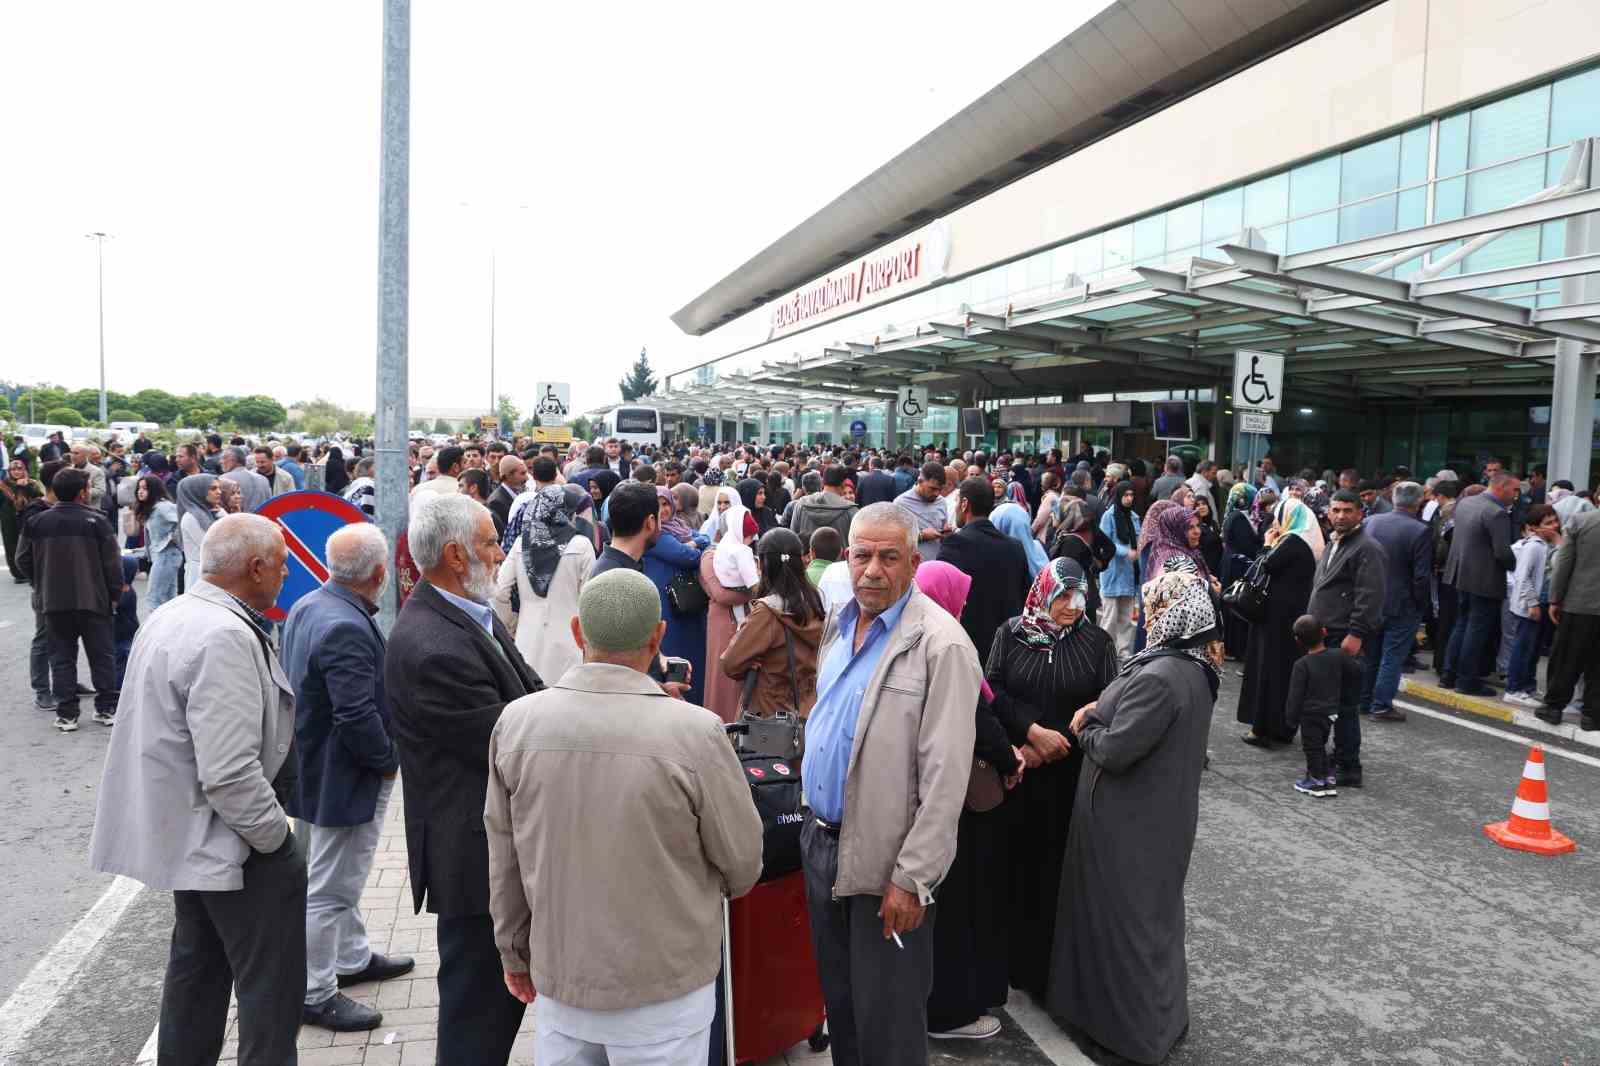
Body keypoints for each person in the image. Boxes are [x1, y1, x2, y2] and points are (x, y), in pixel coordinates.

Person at [486, 568, 764, 1064]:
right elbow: (742, 864)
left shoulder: (517, 722)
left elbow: (504, 858)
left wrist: (513, 951)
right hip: (666, 986)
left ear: (577, 632)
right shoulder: (697, 732)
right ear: (658, 636)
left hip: (564, 978)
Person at [89, 513, 304, 1066]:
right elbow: (230, 771)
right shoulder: (226, 634)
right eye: (280, 565)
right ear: (255, 568)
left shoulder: (176, 613)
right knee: (269, 992)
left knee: (198, 971)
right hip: (233, 842)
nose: (285, 576)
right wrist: (275, 840)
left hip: (195, 837)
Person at [800, 503, 978, 1066]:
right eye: (861, 555)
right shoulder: (841, 620)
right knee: (844, 1009)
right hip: (823, 845)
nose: (872, 569)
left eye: (888, 557)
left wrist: (913, 878)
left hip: (887, 867)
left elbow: (946, 781)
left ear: (913, 562)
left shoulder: (941, 645)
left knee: (890, 1026)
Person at [386, 493, 544, 1064]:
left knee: (487, 1010)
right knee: (477, 1019)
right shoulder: (433, 645)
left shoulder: (465, 614)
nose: (500, 553)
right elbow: (511, 741)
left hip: (489, 849)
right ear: (456, 555)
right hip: (475, 862)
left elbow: (532, 692)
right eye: (489, 543)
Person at [1049, 556, 1219, 1066]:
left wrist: (1086, 724)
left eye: (1155, 607)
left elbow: (1116, 749)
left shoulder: (1161, 676)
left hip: (1129, 823)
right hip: (1159, 816)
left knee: (1122, 928)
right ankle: (1157, 1021)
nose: (1147, 615)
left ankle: (1127, 1033)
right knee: (1152, 924)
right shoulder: (1195, 667)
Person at [281, 524, 412, 1032]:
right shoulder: (346, 625)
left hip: (315, 767)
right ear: (379, 574)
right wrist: (387, 760)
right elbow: (355, 716)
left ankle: (351, 958)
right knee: (332, 887)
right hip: (343, 776)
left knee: (333, 875)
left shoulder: (311, 605)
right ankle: (314, 993)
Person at [984, 557, 1117, 1002]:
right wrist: (1030, 734)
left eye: (1079, 596)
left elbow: (1105, 704)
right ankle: (1000, 963)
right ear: (1044, 592)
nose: (1072, 606)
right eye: (1062, 595)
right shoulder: (1011, 633)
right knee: (1009, 865)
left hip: (1067, 775)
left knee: (1053, 872)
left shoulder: (1097, 643)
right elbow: (993, 691)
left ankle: (1042, 972)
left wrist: (1059, 742)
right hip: (1018, 767)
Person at [914, 561, 1020, 1042]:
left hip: (913, 794)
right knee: (955, 906)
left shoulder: (903, 634)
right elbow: (978, 716)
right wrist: (1010, 758)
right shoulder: (949, 646)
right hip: (954, 800)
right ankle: (950, 1012)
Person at [16, 467, 124, 731]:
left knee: (61, 657)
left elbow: (21, 559)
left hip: (53, 602)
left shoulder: (37, 522)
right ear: (82, 492)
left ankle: (67, 714)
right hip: (94, 600)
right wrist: (114, 594)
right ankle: (106, 708)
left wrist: (40, 581)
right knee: (101, 656)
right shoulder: (98, 521)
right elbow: (113, 565)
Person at [1307, 489, 1386, 788]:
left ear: (1360, 513)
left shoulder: (1367, 548)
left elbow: (1370, 596)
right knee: (1328, 703)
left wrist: (1356, 634)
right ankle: (1336, 754)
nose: (1341, 515)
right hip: (1324, 635)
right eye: (1336, 510)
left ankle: (1348, 765)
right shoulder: (1335, 541)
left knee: (1345, 705)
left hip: (1344, 636)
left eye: (1348, 510)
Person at [1237, 496, 1320, 746]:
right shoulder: (1308, 540)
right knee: (1284, 670)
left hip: (1273, 616)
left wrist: (1267, 544)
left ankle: (1262, 728)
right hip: (1292, 615)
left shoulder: (1291, 541)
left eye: (1279, 516)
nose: (1275, 521)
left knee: (1266, 669)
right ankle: (1283, 727)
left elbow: (1266, 565)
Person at [495, 483, 596, 686]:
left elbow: (499, 591)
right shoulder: (582, 545)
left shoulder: (520, 543)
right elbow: (591, 599)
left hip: (526, 639)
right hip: (571, 642)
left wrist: (511, 624)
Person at [719, 527, 823, 718]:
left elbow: (730, 663)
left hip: (769, 718)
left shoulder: (768, 612)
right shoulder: (815, 604)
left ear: (763, 565)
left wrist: (750, 661)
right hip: (808, 712)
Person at [1440, 472, 1519, 696]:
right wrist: (1516, 566)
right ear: (1501, 487)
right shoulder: (1497, 513)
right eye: (1514, 490)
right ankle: (1466, 680)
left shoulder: (1466, 503)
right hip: (1484, 578)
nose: (1516, 495)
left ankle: (1449, 675)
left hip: (1460, 574)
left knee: (1462, 624)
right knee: (1476, 629)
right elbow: (1503, 552)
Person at [938, 478, 1031, 660]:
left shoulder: (954, 544)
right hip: (1006, 648)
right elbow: (1024, 595)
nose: (955, 507)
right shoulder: (1014, 546)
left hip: (966, 647)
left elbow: (941, 599)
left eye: (957, 501)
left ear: (965, 504)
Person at [1363, 482, 1432, 721]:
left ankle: (1364, 700)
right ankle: (1381, 704)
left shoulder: (1372, 522)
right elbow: (1421, 576)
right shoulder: (1420, 530)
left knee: (1371, 654)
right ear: (1419, 501)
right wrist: (1422, 605)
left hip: (1372, 599)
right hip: (1403, 603)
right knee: (1391, 656)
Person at [644, 485, 708, 705]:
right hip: (669, 604)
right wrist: (695, 544)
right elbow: (686, 556)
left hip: (683, 602)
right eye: (657, 505)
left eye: (666, 504)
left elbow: (702, 538)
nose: (662, 510)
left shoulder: (676, 527)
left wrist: (695, 542)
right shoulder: (657, 535)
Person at [1284, 615, 1359, 797]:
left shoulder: (1301, 665)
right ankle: (1327, 778)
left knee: (1312, 747)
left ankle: (1316, 780)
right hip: (1331, 711)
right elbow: (1356, 671)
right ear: (1324, 632)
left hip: (1310, 714)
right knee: (1321, 744)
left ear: (1297, 640)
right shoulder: (1338, 655)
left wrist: (1291, 719)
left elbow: (1295, 696)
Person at [1537, 506, 1598, 728]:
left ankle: (1553, 707)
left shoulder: (1580, 522)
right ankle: (1593, 715)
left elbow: (1564, 563)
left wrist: (1555, 599)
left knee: (1566, 658)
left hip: (1580, 602)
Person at [701, 495, 760, 721]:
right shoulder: (710, 556)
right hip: (724, 623)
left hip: (745, 622)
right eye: (720, 503)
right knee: (722, 679)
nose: (724, 508)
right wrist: (750, 592)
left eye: (729, 504)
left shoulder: (745, 553)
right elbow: (721, 595)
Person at [1504, 504, 1560, 707]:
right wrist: (1532, 603)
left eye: (1555, 521)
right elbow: (1523, 577)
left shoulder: (1549, 545)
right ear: (1534, 527)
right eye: (1548, 523)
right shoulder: (1534, 546)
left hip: (1544, 602)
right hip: (1531, 605)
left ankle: (1527, 686)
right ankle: (1514, 687)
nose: (1554, 525)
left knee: (1534, 649)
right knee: (1524, 646)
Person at [1095, 480, 1142, 659]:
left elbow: (1139, 540)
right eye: (1126, 495)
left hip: (1129, 574)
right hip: (1113, 571)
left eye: (1131, 495)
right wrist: (1125, 552)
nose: (1129, 499)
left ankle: (1123, 651)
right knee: (1109, 617)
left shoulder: (1134, 517)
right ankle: (1104, 651)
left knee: (1126, 618)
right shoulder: (1109, 516)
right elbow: (1105, 542)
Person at [132, 474, 183, 612]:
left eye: (145, 488)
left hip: (167, 555)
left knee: (154, 599)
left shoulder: (162, 507)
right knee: (168, 598)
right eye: (139, 488)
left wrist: (170, 540)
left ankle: (158, 630)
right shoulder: (153, 508)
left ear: (154, 490)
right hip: (164, 556)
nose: (140, 491)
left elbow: (183, 522)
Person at [895, 461, 952, 562]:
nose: (937, 493)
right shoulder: (901, 503)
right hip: (911, 569)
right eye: (933, 488)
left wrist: (946, 533)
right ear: (920, 481)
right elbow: (894, 538)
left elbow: (943, 531)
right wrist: (921, 536)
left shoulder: (941, 501)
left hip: (936, 565)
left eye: (940, 489)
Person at [2, 456, 45, 583]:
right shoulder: (3, 485)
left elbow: (40, 497)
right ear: (9, 471)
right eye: (13, 469)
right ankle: (17, 573)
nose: (16, 472)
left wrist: (24, 487)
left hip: (28, 517)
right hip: (9, 519)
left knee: (29, 544)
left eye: (19, 469)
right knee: (11, 544)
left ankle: (31, 570)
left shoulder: (32, 483)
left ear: (24, 470)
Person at [177, 474, 223, 593]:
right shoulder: (192, 517)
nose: (219, 492)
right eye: (213, 489)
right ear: (198, 491)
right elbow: (214, 548)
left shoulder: (212, 512)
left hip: (214, 574)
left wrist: (222, 514)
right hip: (200, 576)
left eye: (219, 488)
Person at [788, 464, 858, 543]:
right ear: (843, 483)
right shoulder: (851, 509)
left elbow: (793, 537)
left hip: (809, 555)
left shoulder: (801, 504)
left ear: (822, 481)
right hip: (839, 555)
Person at [220, 445, 271, 513]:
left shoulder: (224, 480)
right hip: (261, 521)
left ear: (233, 460)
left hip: (238, 521)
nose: (221, 461)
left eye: (224, 458)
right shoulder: (263, 479)